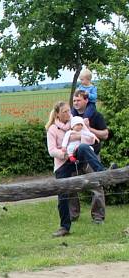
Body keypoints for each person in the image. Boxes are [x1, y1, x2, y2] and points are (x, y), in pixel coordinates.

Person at [46, 101, 107, 237]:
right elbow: (51, 150)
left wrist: (79, 136)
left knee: (84, 148)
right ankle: (64, 227)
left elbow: (92, 140)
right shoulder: (52, 129)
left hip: (78, 157)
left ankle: (101, 172)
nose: (69, 114)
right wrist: (64, 154)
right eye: (65, 112)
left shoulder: (77, 122)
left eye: (69, 111)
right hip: (63, 162)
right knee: (63, 194)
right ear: (57, 114)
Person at [70, 89, 110, 223]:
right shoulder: (71, 117)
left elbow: (105, 134)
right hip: (75, 157)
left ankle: (98, 217)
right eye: (74, 100)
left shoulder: (96, 116)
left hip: (92, 156)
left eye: (78, 100)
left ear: (86, 100)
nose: (75, 103)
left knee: (96, 185)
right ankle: (72, 215)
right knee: (70, 184)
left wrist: (88, 129)